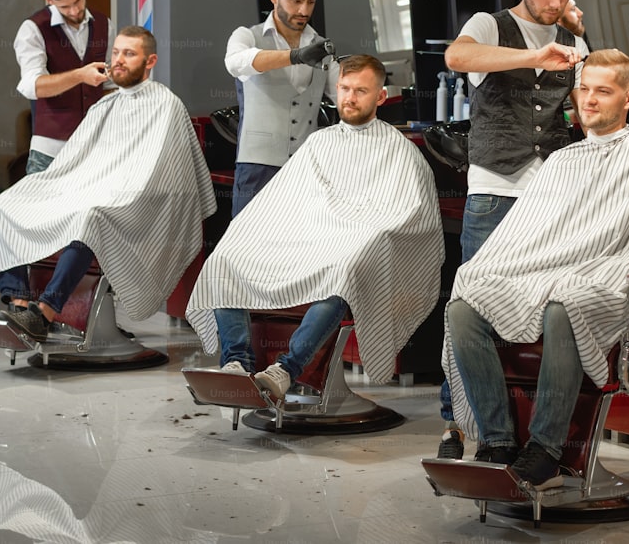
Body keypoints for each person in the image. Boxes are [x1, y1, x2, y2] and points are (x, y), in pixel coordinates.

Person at [442, 49, 629, 487]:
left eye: (603, 91)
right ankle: (498, 441)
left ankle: (545, 450)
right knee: (465, 302)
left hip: (614, 281)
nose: (589, 99)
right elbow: (527, 236)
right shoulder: (562, 160)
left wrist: (602, 268)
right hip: (547, 273)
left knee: (567, 301)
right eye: (584, 89)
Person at [186, 55, 444, 399]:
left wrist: (359, 238)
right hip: (304, 241)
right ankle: (237, 362)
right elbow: (281, 200)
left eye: (361, 91)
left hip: (351, 250)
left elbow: (409, 215)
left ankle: (285, 371)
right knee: (226, 257)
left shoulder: (401, 151)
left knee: (340, 270)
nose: (349, 98)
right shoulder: (319, 142)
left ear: (380, 97)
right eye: (344, 89)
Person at [0, 27, 217, 341]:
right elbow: (74, 162)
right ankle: (21, 305)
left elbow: (165, 171)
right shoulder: (105, 106)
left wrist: (114, 192)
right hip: (88, 191)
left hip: (135, 204)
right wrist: (72, 187)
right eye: (115, 53)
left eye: (129, 54)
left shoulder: (166, 105)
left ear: (150, 60)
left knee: (90, 217)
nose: (119, 60)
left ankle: (45, 313)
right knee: (4, 205)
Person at [436, 0, 586, 457]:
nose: (554, 2)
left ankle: (524, 439)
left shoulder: (573, 39)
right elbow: (457, 56)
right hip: (495, 190)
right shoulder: (488, 24)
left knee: (538, 313)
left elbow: (582, 109)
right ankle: (456, 424)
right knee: (468, 308)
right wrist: (533, 53)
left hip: (550, 199)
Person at [225, 0, 340, 218]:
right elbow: (235, 63)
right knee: (248, 247)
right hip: (257, 167)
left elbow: (342, 94)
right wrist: (296, 56)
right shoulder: (246, 35)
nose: (304, 10)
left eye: (311, 2)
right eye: (296, 0)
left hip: (305, 167)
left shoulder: (321, 46)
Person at [13, 0, 115, 175]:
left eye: (78, 0)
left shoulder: (105, 26)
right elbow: (34, 86)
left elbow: (110, 85)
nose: (74, 10)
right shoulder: (32, 30)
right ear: (49, 0)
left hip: (95, 149)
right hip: (50, 153)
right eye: (65, 6)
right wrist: (80, 75)